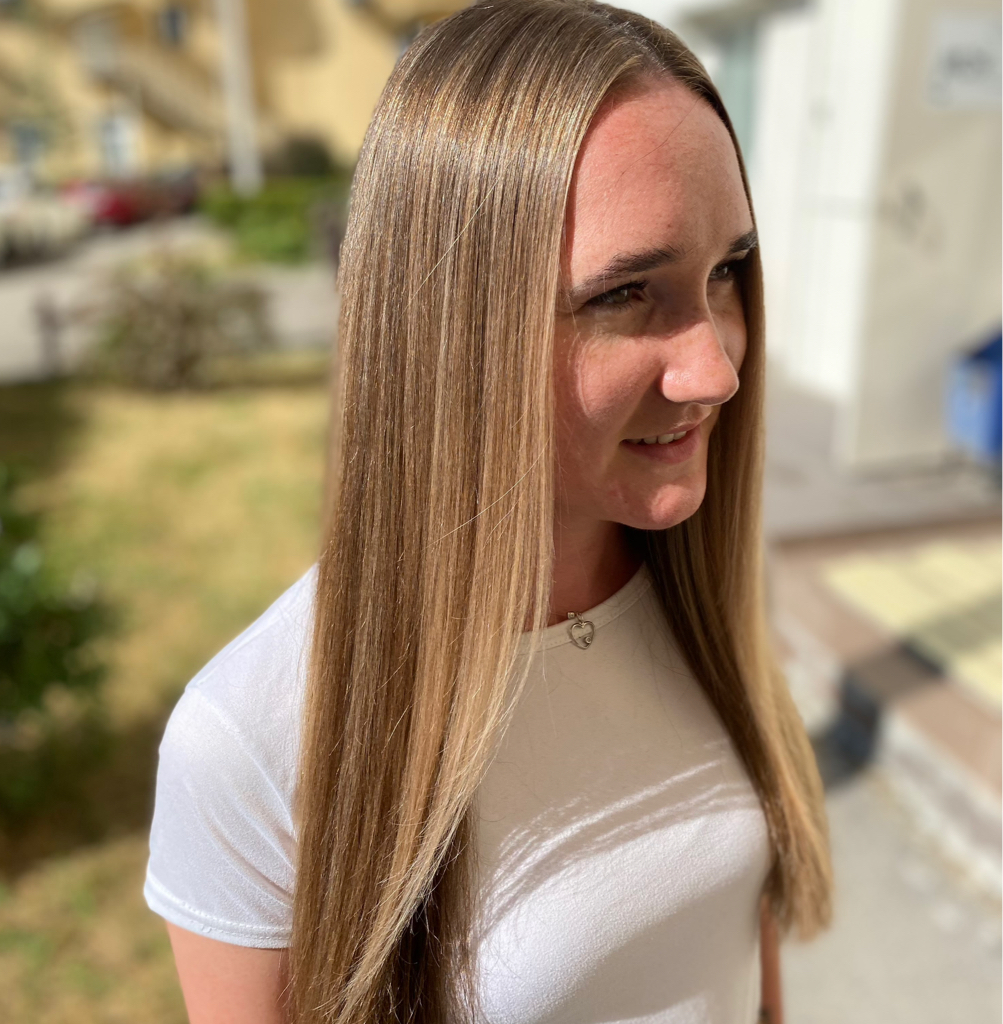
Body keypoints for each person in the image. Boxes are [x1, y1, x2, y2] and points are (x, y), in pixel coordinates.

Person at [143, 2, 833, 1021]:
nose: (716, 369)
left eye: (725, 271)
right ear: (448, 329)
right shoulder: (253, 737)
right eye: (624, 294)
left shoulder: (705, 588)